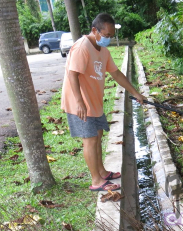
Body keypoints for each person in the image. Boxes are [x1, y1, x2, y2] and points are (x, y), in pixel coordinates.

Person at [61, 13, 145, 191]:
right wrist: (79, 102)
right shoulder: (82, 47)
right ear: (94, 31)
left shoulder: (103, 51)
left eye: (110, 36)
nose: (108, 39)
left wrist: (136, 93)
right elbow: (72, 74)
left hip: (94, 102)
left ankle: (102, 172)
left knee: (97, 137)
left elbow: (116, 74)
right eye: (105, 35)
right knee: (90, 140)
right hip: (80, 104)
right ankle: (96, 181)